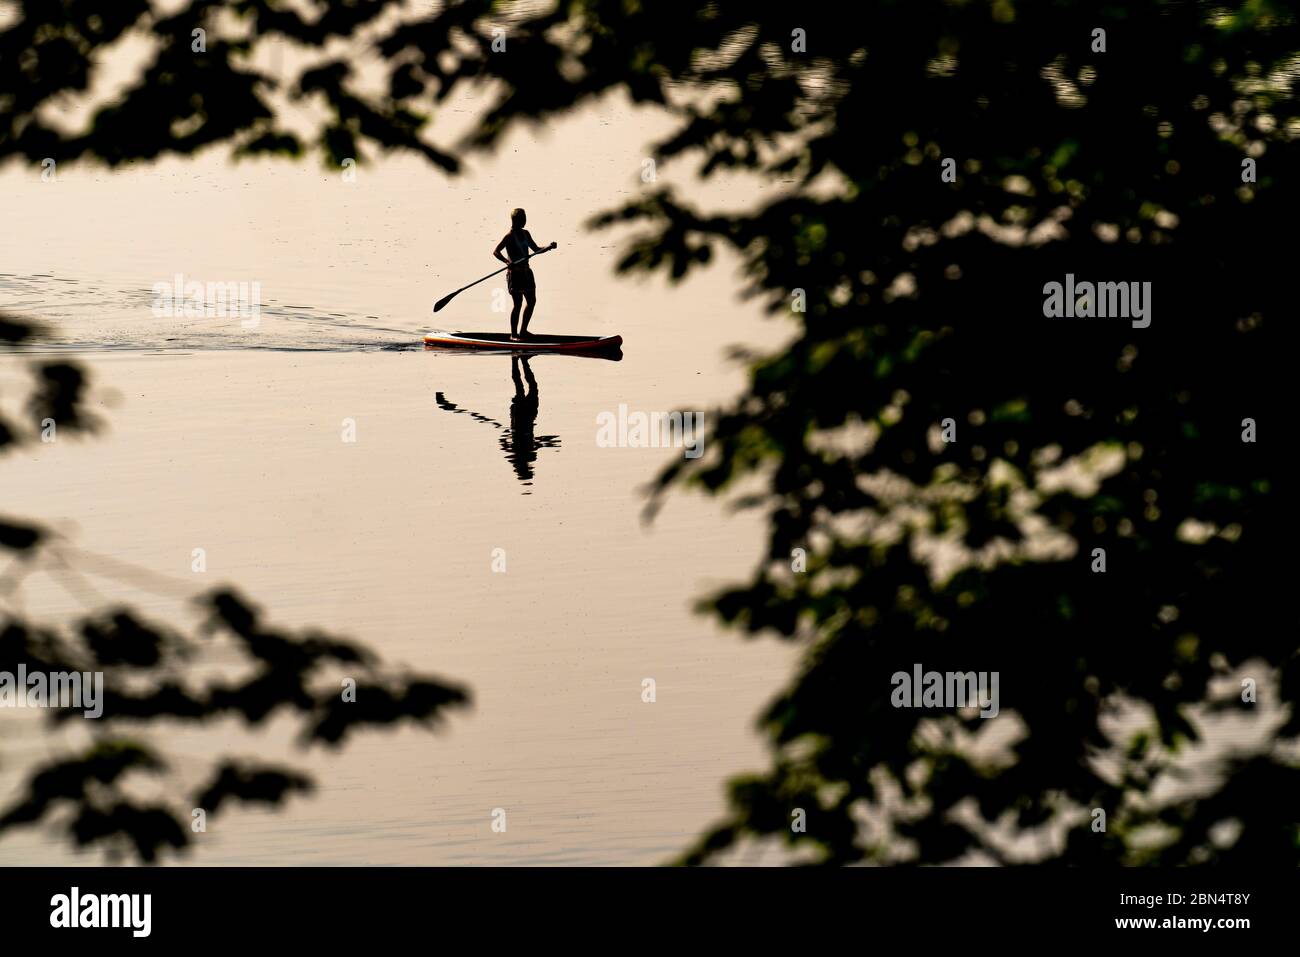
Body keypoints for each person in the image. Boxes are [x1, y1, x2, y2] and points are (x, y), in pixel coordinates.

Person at [492, 208, 556, 340]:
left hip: (527, 273)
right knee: (518, 304)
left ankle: (523, 331)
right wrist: (506, 261)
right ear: (516, 220)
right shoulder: (509, 237)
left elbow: (536, 249)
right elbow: (496, 251)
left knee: (531, 301)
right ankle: (513, 335)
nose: (525, 220)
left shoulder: (526, 233)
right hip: (515, 275)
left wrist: (548, 247)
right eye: (523, 218)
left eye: (525, 218)